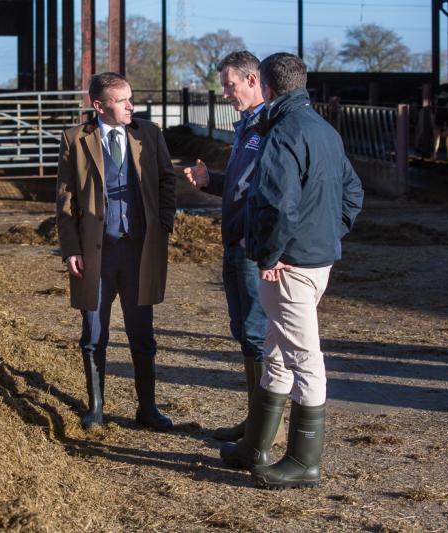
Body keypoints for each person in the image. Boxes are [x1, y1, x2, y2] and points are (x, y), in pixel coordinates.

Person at [219, 53, 364, 489]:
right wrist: (326, 236)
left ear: (264, 83)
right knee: (278, 351)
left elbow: (276, 204)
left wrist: (270, 253)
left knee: (304, 357)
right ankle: (255, 446)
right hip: (316, 260)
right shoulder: (323, 130)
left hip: (289, 266)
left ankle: (304, 461)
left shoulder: (280, 132)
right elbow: (352, 193)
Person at [56, 72, 177, 431]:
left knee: (143, 334)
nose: (130, 105)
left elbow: (167, 180)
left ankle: (148, 408)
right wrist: (71, 249)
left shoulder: (149, 134)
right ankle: (96, 407)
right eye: (122, 100)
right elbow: (65, 201)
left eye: (130, 98)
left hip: (139, 252)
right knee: (93, 334)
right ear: (99, 106)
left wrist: (164, 224)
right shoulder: (75, 139)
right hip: (96, 255)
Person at [183, 51, 283, 445]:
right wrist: (211, 181)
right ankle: (255, 420)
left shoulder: (272, 126)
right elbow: (244, 185)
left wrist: (258, 238)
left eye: (230, 85)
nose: (225, 92)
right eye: (224, 86)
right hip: (234, 241)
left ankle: (265, 431)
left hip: (250, 245)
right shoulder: (246, 126)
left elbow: (274, 189)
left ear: (253, 80)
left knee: (257, 333)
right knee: (243, 330)